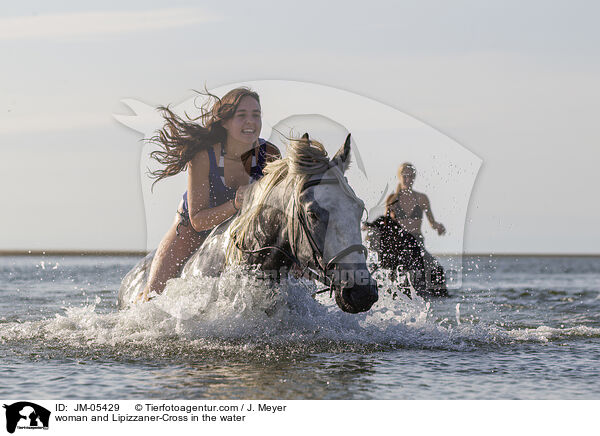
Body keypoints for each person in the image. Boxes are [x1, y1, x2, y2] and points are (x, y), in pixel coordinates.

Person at [137, 87, 281, 302]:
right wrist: (236, 203)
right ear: (224, 122)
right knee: (153, 296)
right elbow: (198, 221)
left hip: (243, 229)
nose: (251, 122)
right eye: (241, 116)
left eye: (256, 115)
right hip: (192, 227)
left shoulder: (270, 154)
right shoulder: (203, 156)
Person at [385, 163, 445, 245]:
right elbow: (385, 223)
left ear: (414, 177)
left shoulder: (422, 198)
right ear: (400, 177)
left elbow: (432, 223)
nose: (408, 179)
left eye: (411, 176)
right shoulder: (392, 199)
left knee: (431, 258)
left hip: (416, 241)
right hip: (397, 241)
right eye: (405, 176)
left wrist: (438, 227)